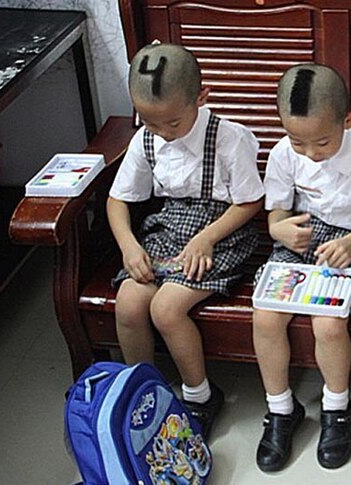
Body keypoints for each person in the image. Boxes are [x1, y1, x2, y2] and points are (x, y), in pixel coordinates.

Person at [252, 63, 351, 472]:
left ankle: (336, 409)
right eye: (297, 140)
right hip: (301, 239)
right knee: (266, 315)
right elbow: (277, 214)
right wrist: (280, 230)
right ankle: (281, 409)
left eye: (321, 142)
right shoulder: (286, 152)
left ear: (348, 119)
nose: (309, 153)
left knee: (327, 321)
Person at [107, 43, 264, 439]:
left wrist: (206, 238)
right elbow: (117, 200)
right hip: (169, 226)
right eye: (150, 122)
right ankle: (144, 392)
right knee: (128, 302)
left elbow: (250, 201)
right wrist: (129, 245)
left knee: (166, 308)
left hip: (222, 230)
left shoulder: (228, 139)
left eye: (173, 124)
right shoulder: (146, 140)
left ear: (201, 97)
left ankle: (199, 395)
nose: (162, 133)